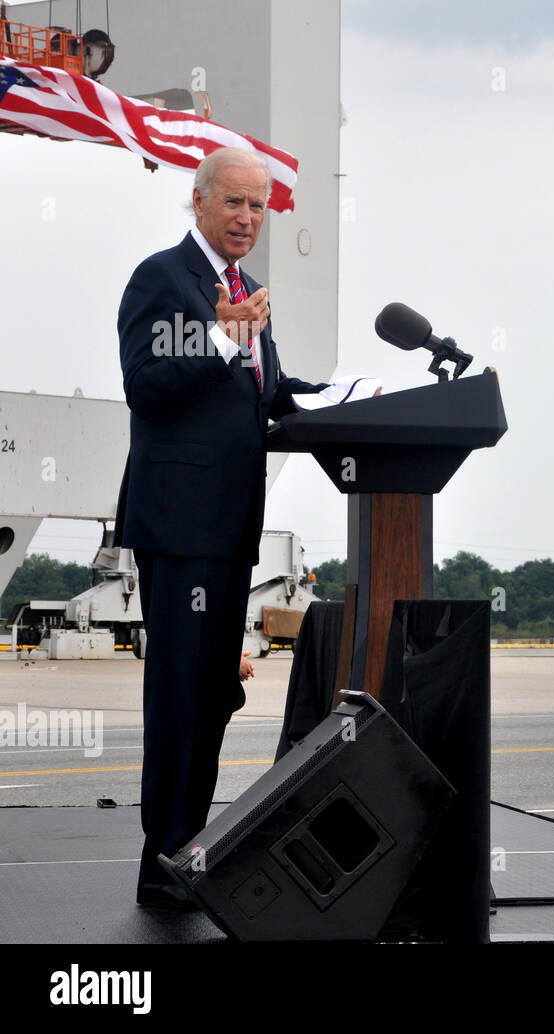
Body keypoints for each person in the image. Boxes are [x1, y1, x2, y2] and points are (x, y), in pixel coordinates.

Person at [115, 147, 329, 909]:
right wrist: (219, 339)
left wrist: (343, 397)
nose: (246, 218)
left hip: (232, 526)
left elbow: (266, 392)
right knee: (179, 694)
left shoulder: (245, 292)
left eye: (257, 206)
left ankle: (189, 850)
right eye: (233, 202)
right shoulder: (163, 279)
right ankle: (162, 860)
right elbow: (144, 385)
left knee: (210, 693)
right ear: (199, 201)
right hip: (180, 526)